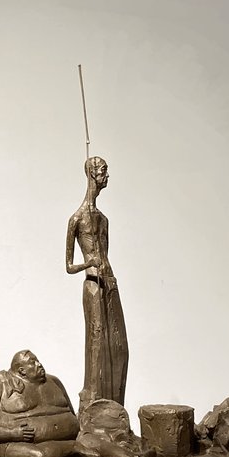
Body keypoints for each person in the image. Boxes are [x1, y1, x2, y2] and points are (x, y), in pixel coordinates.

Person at [0, 350, 153, 457]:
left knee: (101, 445)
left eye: (38, 360)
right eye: (33, 363)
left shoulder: (53, 381)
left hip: (70, 437)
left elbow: (71, 414)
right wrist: (14, 433)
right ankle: (72, 450)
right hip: (12, 443)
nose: (39, 364)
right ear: (22, 371)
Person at [65, 156, 128, 408]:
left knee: (119, 347)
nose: (107, 175)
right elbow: (69, 266)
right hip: (92, 284)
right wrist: (88, 264)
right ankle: (93, 404)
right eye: (103, 171)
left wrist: (106, 274)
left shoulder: (103, 219)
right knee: (97, 345)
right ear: (92, 173)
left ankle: (115, 407)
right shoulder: (77, 219)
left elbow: (106, 255)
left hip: (110, 283)